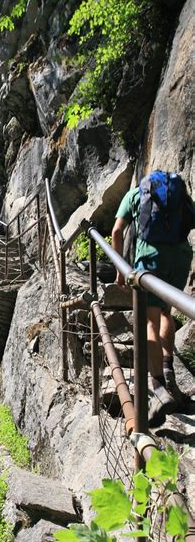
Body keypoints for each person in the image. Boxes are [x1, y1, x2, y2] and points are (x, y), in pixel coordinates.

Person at [111, 171, 193, 427]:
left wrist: (120, 269)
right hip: (180, 258)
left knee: (149, 322)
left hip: (150, 260)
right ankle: (168, 368)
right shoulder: (179, 196)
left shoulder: (135, 194)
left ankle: (158, 387)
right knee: (167, 312)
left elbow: (117, 231)